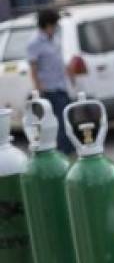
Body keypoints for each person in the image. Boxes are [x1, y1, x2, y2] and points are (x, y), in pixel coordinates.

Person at [27, 8, 73, 154]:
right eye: (54, 25)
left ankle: (69, 149)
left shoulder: (53, 38)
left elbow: (59, 60)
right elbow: (33, 68)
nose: (55, 28)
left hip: (61, 85)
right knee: (58, 122)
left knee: (66, 118)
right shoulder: (35, 43)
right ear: (47, 25)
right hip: (49, 88)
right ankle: (62, 151)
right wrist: (39, 89)